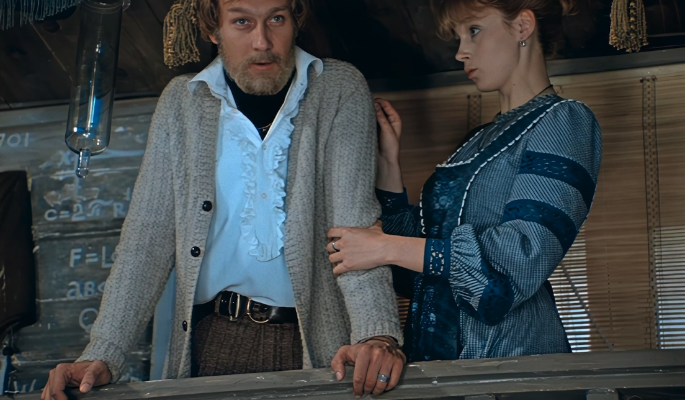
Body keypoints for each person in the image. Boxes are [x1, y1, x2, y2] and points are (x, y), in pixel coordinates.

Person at [41, 0, 405, 399]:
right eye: (242, 22)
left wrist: (377, 335)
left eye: (276, 19)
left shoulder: (337, 88)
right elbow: (146, 240)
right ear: (213, 29)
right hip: (211, 343)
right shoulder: (182, 101)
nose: (262, 41)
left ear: (295, 20)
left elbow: (356, 232)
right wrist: (103, 353)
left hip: (321, 349)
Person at [326, 0, 602, 362]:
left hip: (510, 367)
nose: (460, 53)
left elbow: (514, 268)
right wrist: (388, 165)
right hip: (436, 369)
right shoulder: (476, 142)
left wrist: (387, 247)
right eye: (458, 37)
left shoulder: (564, 120)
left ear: (522, 26)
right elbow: (417, 275)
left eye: (474, 31)